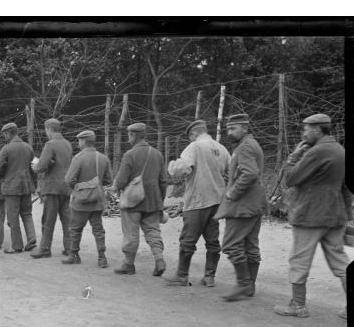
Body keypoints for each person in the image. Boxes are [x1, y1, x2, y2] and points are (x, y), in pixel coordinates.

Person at [274, 113, 353, 319]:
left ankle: (298, 306)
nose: (303, 133)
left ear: (318, 129)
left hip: (310, 215)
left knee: (299, 260)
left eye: (306, 129)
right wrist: (345, 216)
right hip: (334, 216)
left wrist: (293, 157)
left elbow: (291, 178)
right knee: (341, 263)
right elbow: (347, 188)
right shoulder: (340, 150)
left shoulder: (316, 151)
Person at [165, 119, 230, 287]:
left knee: (188, 239)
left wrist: (172, 166)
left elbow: (181, 169)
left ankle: (182, 275)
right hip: (216, 200)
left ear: (193, 134)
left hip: (197, 199)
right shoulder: (222, 149)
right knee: (212, 240)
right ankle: (209, 277)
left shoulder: (195, 147)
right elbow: (231, 171)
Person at [214, 113, 269, 301]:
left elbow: (250, 173)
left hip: (243, 205)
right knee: (250, 245)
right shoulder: (250, 144)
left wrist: (232, 193)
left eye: (233, 128)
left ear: (245, 128)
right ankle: (249, 286)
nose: (229, 132)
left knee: (230, 244)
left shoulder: (244, 147)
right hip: (254, 203)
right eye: (228, 128)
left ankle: (244, 284)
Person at [112, 122, 168, 276]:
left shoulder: (129, 155)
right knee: (153, 232)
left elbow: (121, 180)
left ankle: (128, 264)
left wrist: (115, 188)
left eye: (129, 135)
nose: (128, 138)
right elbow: (163, 181)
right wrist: (160, 202)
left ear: (134, 135)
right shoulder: (157, 154)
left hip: (132, 202)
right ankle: (159, 259)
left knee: (131, 233)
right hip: (153, 201)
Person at [63, 130, 113, 267]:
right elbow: (109, 180)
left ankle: (73, 255)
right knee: (98, 230)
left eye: (79, 140)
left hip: (80, 202)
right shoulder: (103, 158)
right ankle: (102, 258)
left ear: (84, 141)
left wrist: (79, 187)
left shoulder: (78, 158)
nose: (78, 143)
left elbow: (68, 180)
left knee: (75, 229)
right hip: (97, 201)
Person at [0, 122, 37, 253]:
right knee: (27, 213)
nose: (4, 137)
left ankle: (17, 246)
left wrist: (4, 173)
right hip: (27, 185)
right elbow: (34, 168)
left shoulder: (6, 148)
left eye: (4, 134)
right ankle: (31, 238)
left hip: (11, 187)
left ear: (8, 133)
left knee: (13, 216)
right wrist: (34, 184)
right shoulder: (28, 147)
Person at [31, 118, 73, 258]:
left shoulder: (50, 144)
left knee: (48, 219)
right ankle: (69, 248)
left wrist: (36, 166)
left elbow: (42, 166)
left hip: (52, 187)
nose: (46, 132)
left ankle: (44, 249)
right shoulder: (68, 144)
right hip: (66, 187)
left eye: (46, 130)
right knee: (66, 219)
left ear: (49, 129)